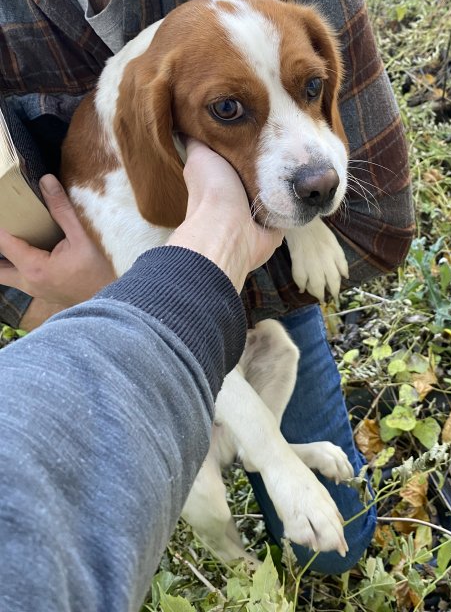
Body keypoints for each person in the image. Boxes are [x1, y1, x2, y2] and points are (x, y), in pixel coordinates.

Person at [0, 0, 414, 573]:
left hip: (257, 285)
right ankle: (234, 562)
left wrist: (301, 227)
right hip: (79, 307)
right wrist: (75, 302)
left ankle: (275, 464)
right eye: (229, 108)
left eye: (310, 88)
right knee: (172, 508)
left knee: (339, 549)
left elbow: (378, 228)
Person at [0, 139, 284, 612]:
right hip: (143, 307)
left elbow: (379, 230)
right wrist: (213, 246)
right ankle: (237, 550)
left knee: (338, 549)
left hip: (248, 308)